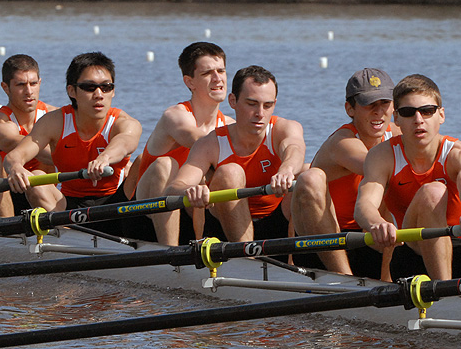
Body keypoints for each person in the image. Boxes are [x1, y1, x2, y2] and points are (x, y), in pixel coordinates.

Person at [355, 74, 461, 280]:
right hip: (412, 255)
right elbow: (364, 205)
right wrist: (375, 223)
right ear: (396, 118)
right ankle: (444, 291)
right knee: (432, 192)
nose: (418, 120)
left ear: (441, 115)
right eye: (408, 113)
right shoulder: (382, 156)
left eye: (427, 111)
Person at [4, 52, 142, 235]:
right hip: (68, 207)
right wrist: (15, 167)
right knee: (36, 176)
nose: (99, 94)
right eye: (89, 87)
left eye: (106, 87)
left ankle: (163, 244)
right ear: (72, 91)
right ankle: (69, 239)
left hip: (115, 203)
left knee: (146, 162)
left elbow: (125, 142)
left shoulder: (125, 122)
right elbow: (15, 155)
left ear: (113, 91)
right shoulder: (55, 122)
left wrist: (105, 158)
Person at [168, 65, 304, 242]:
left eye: (267, 105)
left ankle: (323, 265)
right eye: (252, 104)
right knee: (230, 172)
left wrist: (286, 170)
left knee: (309, 174)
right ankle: (247, 259)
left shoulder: (285, 129)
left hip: (275, 220)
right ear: (233, 101)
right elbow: (175, 188)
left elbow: (295, 149)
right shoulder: (211, 143)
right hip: (224, 227)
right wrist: (190, 191)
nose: (260, 114)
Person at [291, 68, 400, 279]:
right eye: (370, 104)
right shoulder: (343, 142)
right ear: (350, 109)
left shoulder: (398, 133)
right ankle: (344, 278)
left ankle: (390, 280)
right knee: (310, 177)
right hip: (323, 243)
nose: (378, 112)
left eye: (384, 103)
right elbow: (371, 165)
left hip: (370, 238)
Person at [128, 42, 233, 245]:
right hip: (146, 214)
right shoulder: (176, 117)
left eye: (221, 71)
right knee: (166, 165)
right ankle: (170, 254)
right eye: (207, 73)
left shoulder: (230, 124)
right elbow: (201, 143)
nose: (218, 78)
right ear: (190, 82)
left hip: (193, 210)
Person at [0, 54, 57, 217]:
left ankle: (66, 231)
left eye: (33, 84)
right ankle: (6, 227)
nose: (29, 91)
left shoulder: (55, 116)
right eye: (21, 85)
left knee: (39, 175)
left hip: (43, 194)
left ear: (40, 83)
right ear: (6, 87)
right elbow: (32, 149)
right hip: (6, 196)